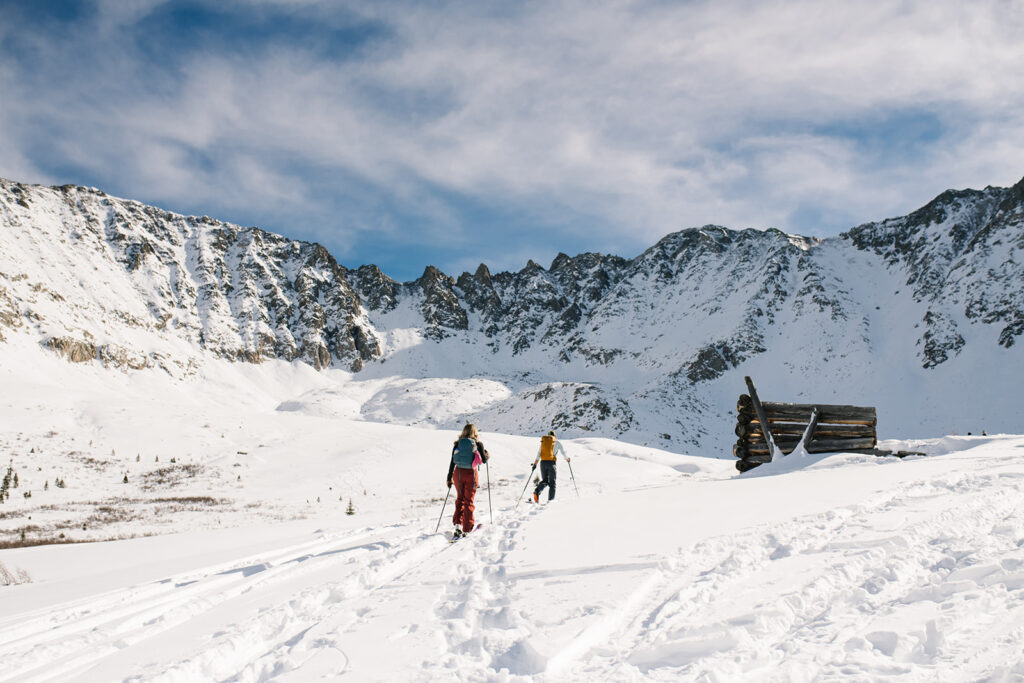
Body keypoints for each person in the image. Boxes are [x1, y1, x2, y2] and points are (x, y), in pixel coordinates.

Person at [446, 423, 489, 538]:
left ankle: (457, 525)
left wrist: (449, 478)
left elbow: (452, 462)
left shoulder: (457, 444)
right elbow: (484, 460)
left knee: (460, 499)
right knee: (468, 501)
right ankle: (467, 528)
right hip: (471, 474)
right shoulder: (478, 444)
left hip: (458, 473)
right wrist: (486, 455)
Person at [532, 430, 569, 502]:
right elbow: (563, 452)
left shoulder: (544, 443)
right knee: (552, 483)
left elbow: (538, 454)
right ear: (554, 436)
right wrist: (567, 459)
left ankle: (537, 490)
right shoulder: (557, 442)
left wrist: (535, 464)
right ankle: (550, 501)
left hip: (542, 463)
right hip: (551, 463)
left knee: (545, 481)